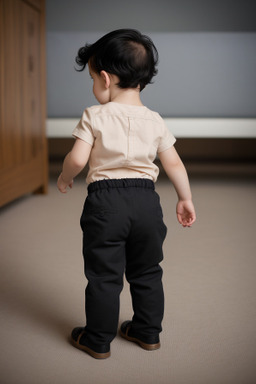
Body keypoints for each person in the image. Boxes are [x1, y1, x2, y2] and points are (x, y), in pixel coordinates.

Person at [57, 29, 196, 359]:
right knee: (147, 270)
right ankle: (147, 332)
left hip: (106, 202)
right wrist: (185, 198)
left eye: (92, 78)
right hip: (148, 202)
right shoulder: (155, 120)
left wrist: (65, 176)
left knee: (105, 275)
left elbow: (77, 158)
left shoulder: (95, 115)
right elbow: (174, 163)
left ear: (105, 78)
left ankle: (98, 338)